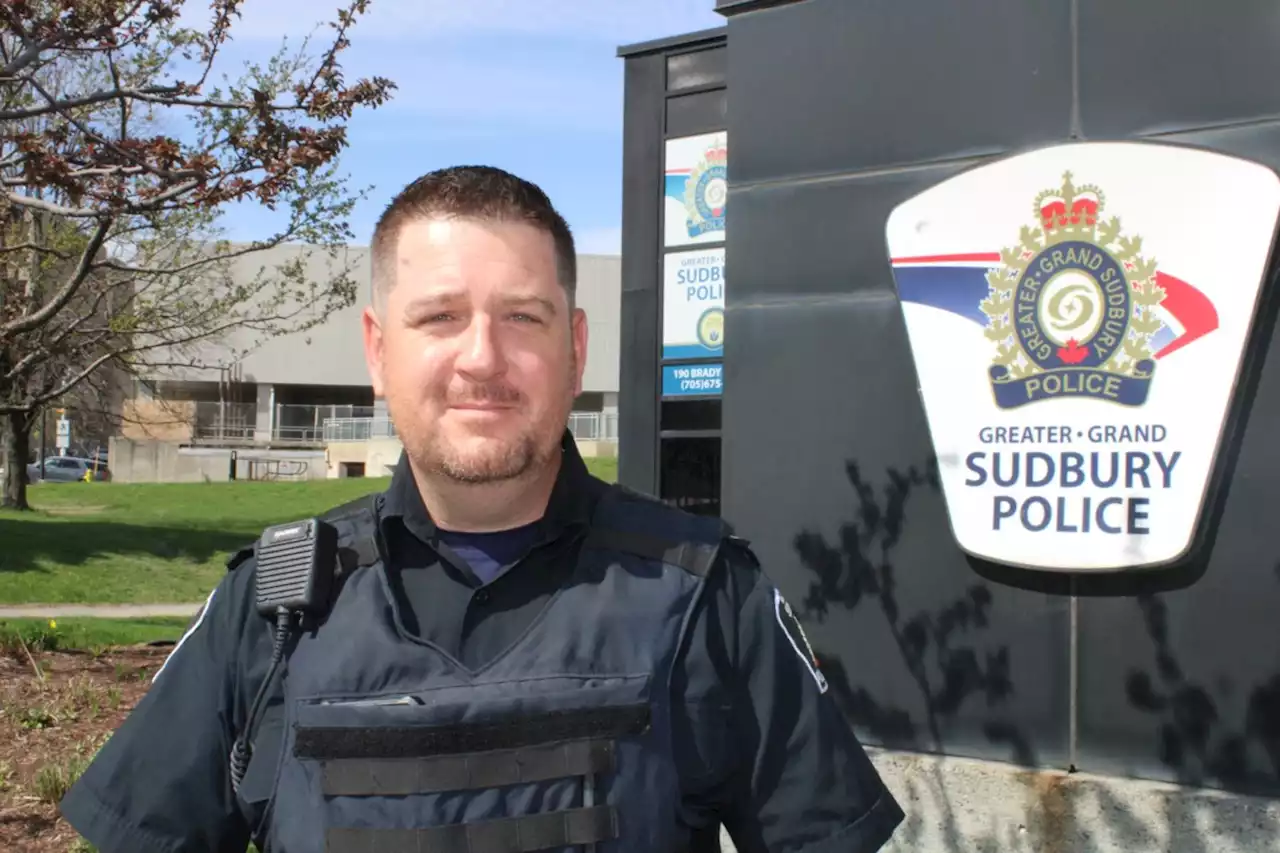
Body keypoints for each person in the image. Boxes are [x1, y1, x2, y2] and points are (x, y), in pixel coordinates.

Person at [59, 166, 904, 853]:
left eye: (522, 318)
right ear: (378, 352)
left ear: (574, 351)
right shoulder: (273, 605)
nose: (482, 357)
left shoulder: (710, 595)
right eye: (440, 317)